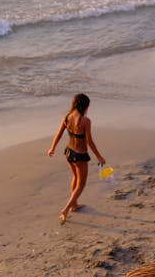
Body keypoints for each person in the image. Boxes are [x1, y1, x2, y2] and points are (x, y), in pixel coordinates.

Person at [48, 93, 106, 223]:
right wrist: (100, 157)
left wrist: (52, 148)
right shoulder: (85, 121)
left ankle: (74, 204)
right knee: (81, 184)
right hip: (80, 155)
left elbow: (58, 134)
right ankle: (66, 208)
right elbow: (89, 142)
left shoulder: (67, 117)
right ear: (85, 106)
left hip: (69, 153)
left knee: (75, 177)